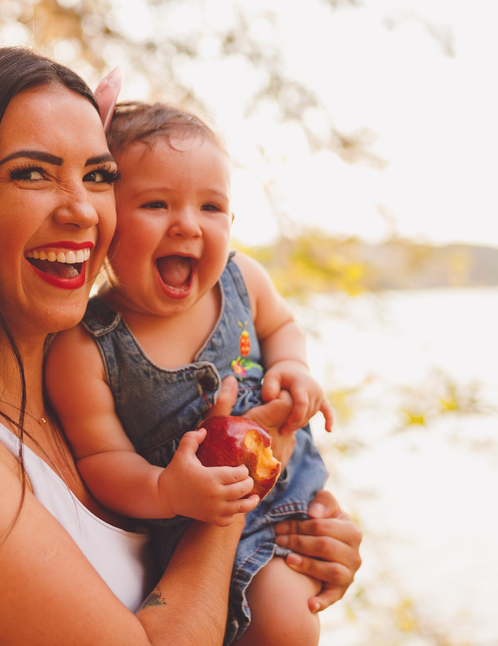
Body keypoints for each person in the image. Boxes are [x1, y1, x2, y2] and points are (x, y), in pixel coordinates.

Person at [0, 47, 362, 646]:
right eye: (32, 173)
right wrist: (244, 478)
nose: (81, 210)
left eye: (98, 177)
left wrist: (294, 544)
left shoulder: (84, 401)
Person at [46, 102, 333, 645]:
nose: (187, 224)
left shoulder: (241, 278)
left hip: (290, 491)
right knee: (283, 627)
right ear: (107, 221)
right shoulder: (87, 345)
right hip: (189, 528)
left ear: (232, 221)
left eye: (211, 207)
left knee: (294, 617)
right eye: (156, 203)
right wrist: (166, 490)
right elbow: (102, 459)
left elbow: (283, 326)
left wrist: (294, 368)